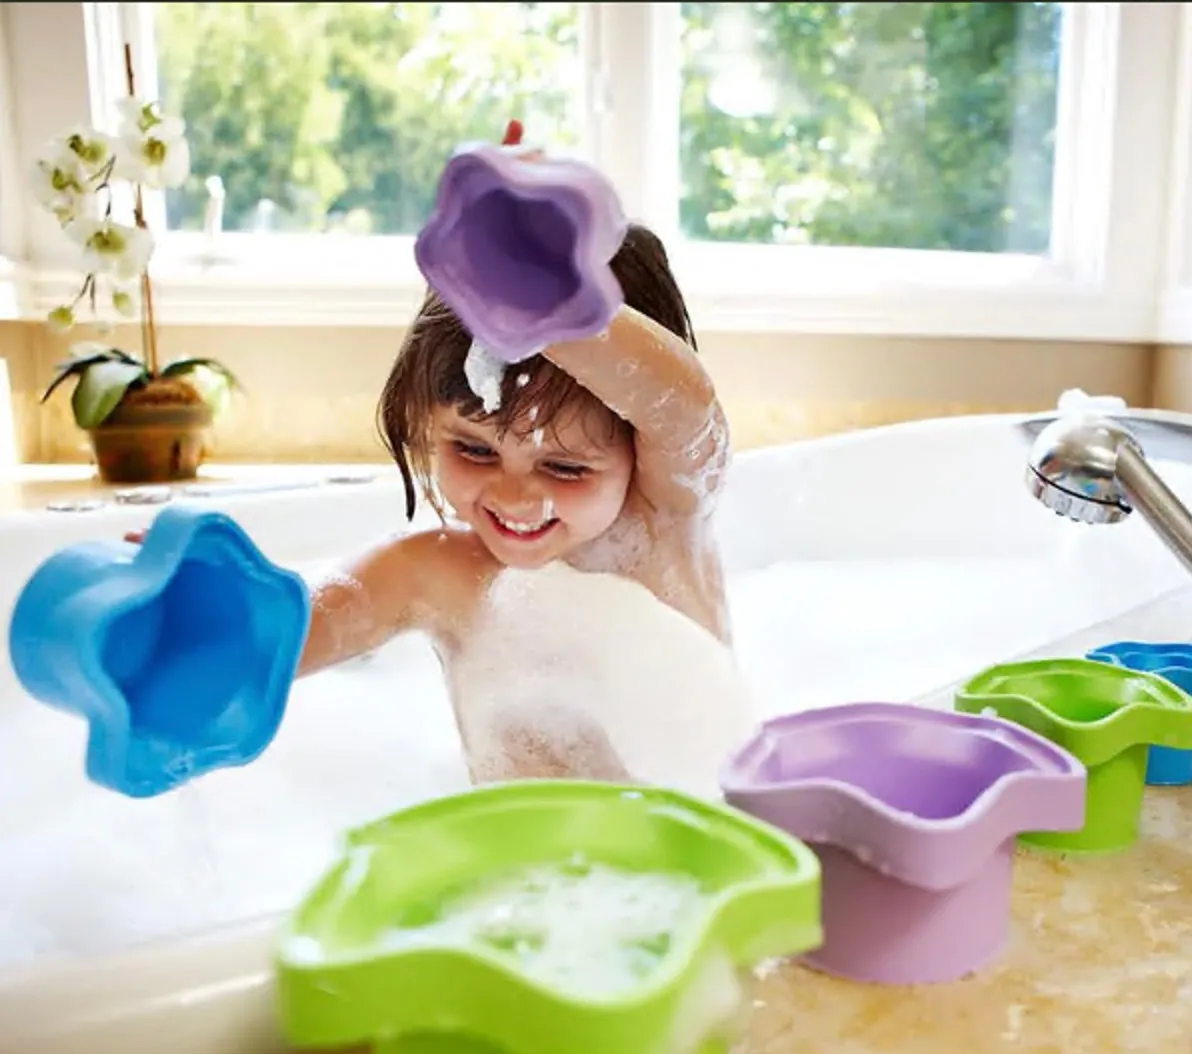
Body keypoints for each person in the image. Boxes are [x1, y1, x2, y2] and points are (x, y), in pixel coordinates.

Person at [130, 121, 746, 788]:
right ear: (425, 422)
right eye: (474, 451)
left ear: (637, 448)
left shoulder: (664, 526)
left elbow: (685, 408)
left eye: (566, 467)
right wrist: (205, 620)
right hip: (530, 879)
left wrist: (555, 306)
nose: (514, 497)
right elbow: (290, 631)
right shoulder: (433, 572)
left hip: (701, 860)